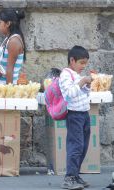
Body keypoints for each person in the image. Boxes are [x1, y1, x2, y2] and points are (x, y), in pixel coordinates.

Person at [59, 46, 93, 189]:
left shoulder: (77, 75)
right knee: (76, 146)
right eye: (81, 63)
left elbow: (83, 92)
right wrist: (82, 82)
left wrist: (87, 84)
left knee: (83, 146)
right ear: (72, 60)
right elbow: (69, 94)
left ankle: (75, 174)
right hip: (74, 115)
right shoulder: (65, 75)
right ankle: (69, 178)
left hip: (84, 114)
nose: (83, 66)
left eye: (85, 63)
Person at [0, 8, 26, 84]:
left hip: (8, 87)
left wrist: (9, 93)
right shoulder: (8, 39)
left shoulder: (13, 42)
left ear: (8, 24)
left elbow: (10, 70)